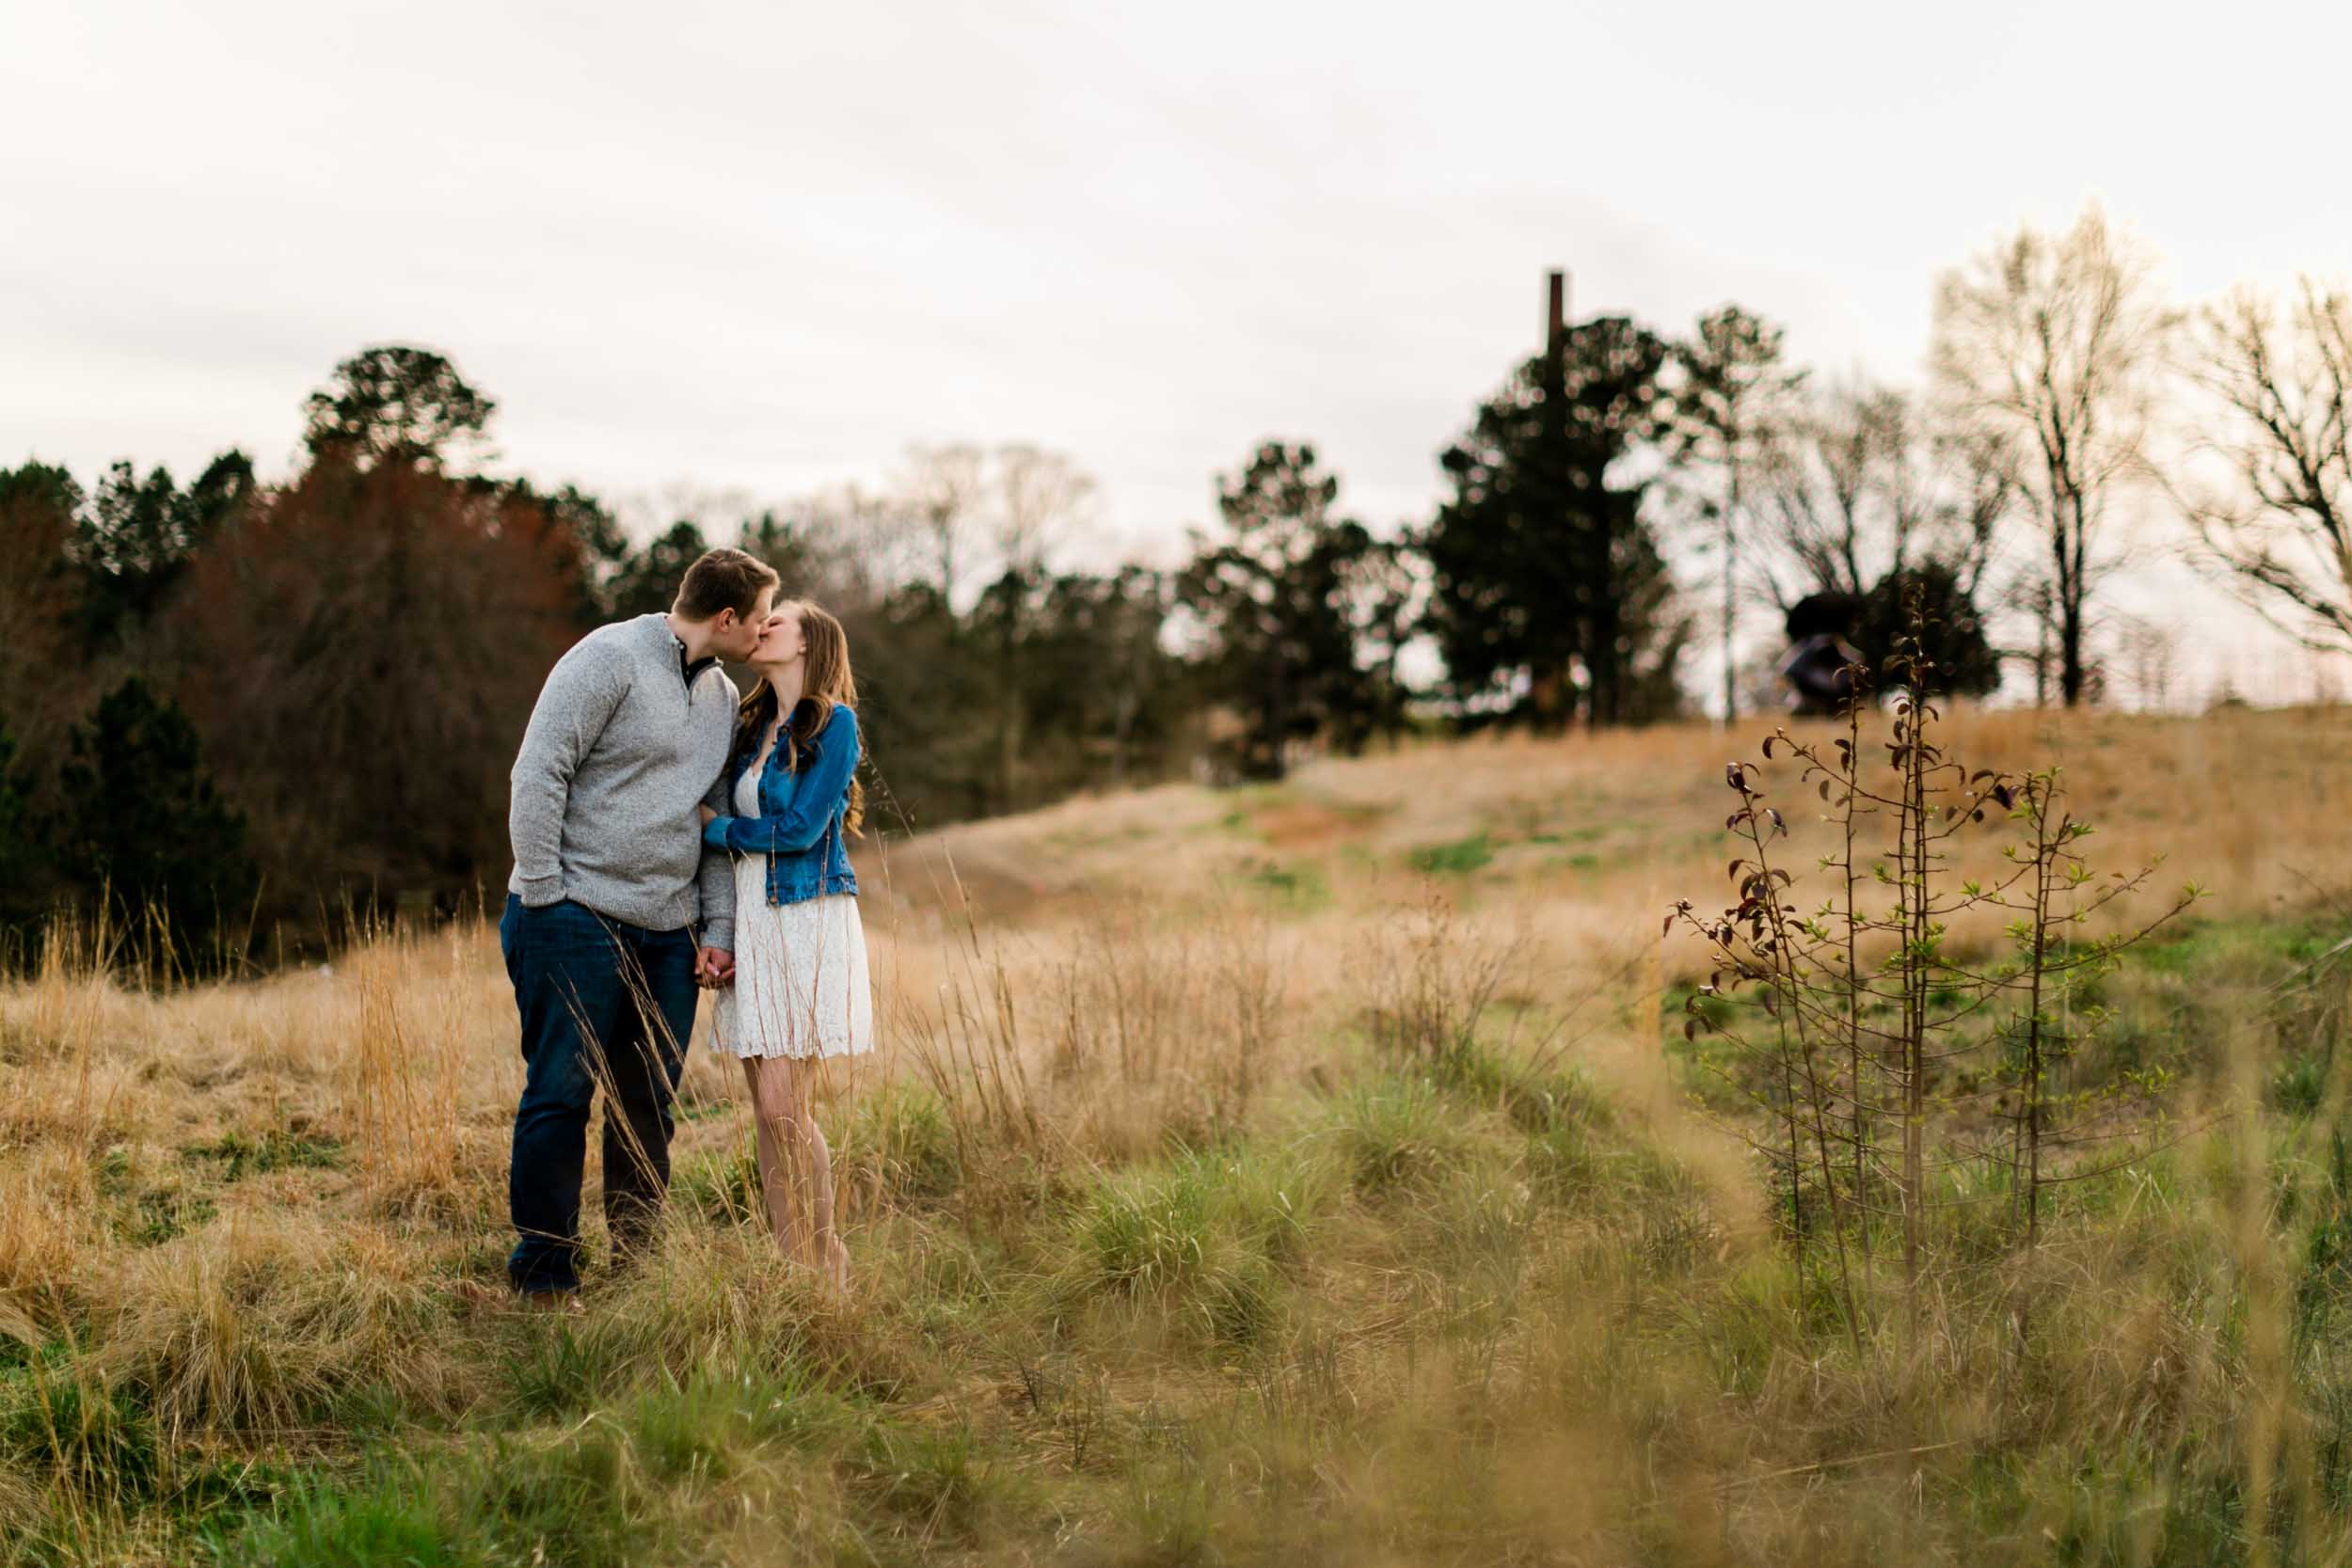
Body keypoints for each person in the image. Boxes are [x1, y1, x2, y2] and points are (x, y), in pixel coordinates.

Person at [497, 547, 778, 1307]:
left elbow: (714, 814)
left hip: (669, 931)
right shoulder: (607, 658)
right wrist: (548, 892)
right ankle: (546, 1272)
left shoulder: (721, 696)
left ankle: (638, 1268)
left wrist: (717, 924)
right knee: (561, 1091)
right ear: (725, 618)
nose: (763, 634)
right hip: (573, 912)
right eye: (757, 621)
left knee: (647, 1101)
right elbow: (539, 771)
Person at [699, 599, 875, 1288]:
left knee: (784, 1105)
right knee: (766, 1117)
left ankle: (827, 1257)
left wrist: (716, 831)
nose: (762, 625)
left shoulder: (835, 725)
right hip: (751, 920)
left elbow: (801, 829)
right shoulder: (748, 726)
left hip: (804, 919)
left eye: (780, 621)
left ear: (810, 644)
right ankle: (790, 1262)